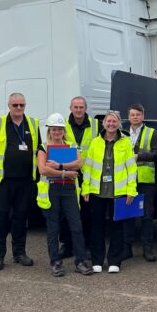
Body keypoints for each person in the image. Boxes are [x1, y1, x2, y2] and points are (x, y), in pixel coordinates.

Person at [0, 93, 41, 271]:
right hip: (3, 181)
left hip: (25, 181)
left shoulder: (33, 124)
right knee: (1, 218)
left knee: (21, 218)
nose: (18, 108)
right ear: (9, 105)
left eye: (21, 105)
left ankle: (19, 253)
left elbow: (39, 149)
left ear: (25, 106)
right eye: (15, 105)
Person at [36, 113, 93, 277]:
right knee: (53, 228)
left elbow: (79, 163)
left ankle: (80, 261)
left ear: (64, 131)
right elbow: (43, 169)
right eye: (54, 129)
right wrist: (65, 173)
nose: (57, 132)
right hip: (51, 190)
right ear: (49, 130)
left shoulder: (71, 146)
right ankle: (55, 263)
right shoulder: (43, 147)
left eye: (60, 129)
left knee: (76, 226)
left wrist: (60, 165)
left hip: (69, 190)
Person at [82, 110, 137, 273]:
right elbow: (88, 167)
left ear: (119, 124)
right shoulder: (95, 142)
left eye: (114, 121)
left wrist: (131, 190)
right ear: (104, 123)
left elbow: (131, 168)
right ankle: (97, 260)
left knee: (117, 227)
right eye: (109, 121)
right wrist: (85, 188)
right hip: (98, 191)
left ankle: (115, 261)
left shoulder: (126, 143)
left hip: (118, 191)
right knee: (97, 226)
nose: (111, 124)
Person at [58, 96, 98, 260]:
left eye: (81, 107)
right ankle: (67, 245)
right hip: (68, 173)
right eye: (76, 107)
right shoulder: (63, 125)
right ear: (71, 108)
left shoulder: (96, 125)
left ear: (86, 109)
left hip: (88, 174)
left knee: (87, 211)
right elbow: (57, 145)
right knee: (65, 211)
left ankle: (86, 245)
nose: (79, 110)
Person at [123, 103, 157, 262]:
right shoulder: (122, 133)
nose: (135, 117)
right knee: (127, 214)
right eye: (132, 115)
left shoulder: (152, 133)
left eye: (138, 114)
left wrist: (139, 156)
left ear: (143, 116)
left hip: (145, 180)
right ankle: (127, 249)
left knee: (146, 215)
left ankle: (147, 249)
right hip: (126, 180)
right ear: (128, 117)